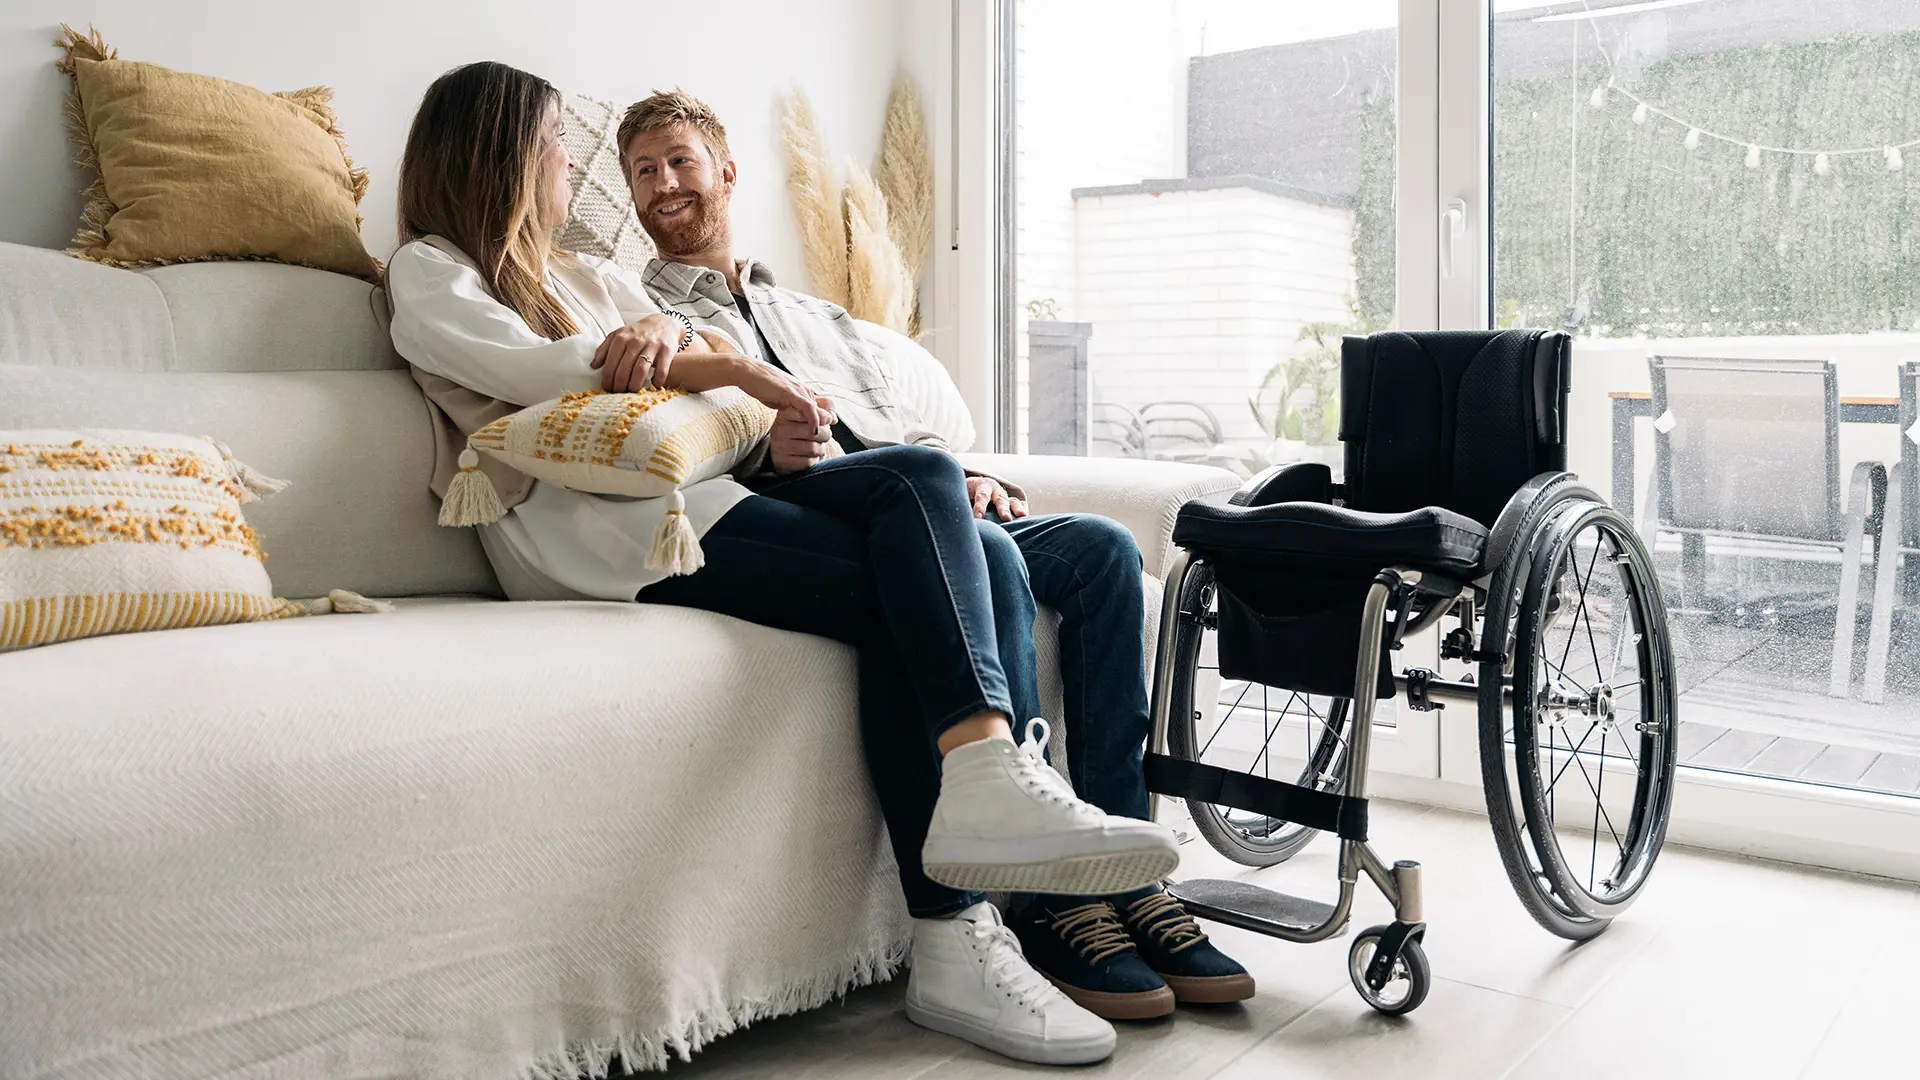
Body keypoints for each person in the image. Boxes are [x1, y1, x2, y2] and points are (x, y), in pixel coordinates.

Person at [385, 62, 1181, 1067]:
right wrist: (732, 365)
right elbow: (548, 370)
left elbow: (673, 358)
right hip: (600, 538)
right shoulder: (428, 270)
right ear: (499, 155)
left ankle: (975, 851)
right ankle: (970, 892)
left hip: (700, 499)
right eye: (554, 149)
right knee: (914, 567)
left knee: (925, 489)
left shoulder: (583, 275)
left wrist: (683, 347)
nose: (567, 167)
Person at [614, 90, 1254, 1024]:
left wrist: (968, 470)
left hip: (919, 484)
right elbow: (671, 416)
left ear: (724, 172)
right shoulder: (642, 301)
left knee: (1105, 551)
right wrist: (764, 447)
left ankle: (1124, 876)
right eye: (642, 170)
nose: (663, 184)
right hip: (809, 500)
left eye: (678, 161)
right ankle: (1051, 902)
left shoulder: (814, 314)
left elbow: (904, 426)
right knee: (976, 539)